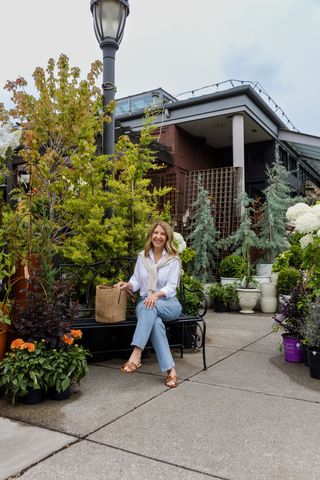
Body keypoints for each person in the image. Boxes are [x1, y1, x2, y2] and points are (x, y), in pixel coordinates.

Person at [115, 221, 182, 388]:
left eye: (162, 234)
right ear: (151, 235)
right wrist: (127, 285)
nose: (158, 236)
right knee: (155, 321)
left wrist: (155, 295)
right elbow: (136, 280)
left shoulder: (173, 259)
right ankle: (171, 370)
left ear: (167, 237)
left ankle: (136, 355)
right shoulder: (142, 257)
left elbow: (172, 286)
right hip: (146, 303)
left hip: (168, 303)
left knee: (148, 306)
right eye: (155, 233)